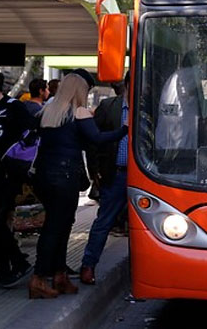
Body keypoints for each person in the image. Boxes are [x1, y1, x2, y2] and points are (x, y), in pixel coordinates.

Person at [28, 72, 126, 299]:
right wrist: (125, 130)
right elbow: (98, 138)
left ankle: (58, 276)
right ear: (79, 90)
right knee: (57, 228)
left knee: (56, 226)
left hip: (44, 175)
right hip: (65, 176)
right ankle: (39, 278)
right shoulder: (79, 112)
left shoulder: (48, 111)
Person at [0, 68, 35, 287]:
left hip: (9, 175)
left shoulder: (15, 108)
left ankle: (18, 262)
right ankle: (2, 270)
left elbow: (30, 138)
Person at [80, 71, 130, 285]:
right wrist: (95, 171)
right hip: (116, 173)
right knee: (104, 221)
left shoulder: (151, 109)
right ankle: (88, 266)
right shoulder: (110, 106)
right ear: (128, 84)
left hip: (147, 178)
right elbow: (93, 141)